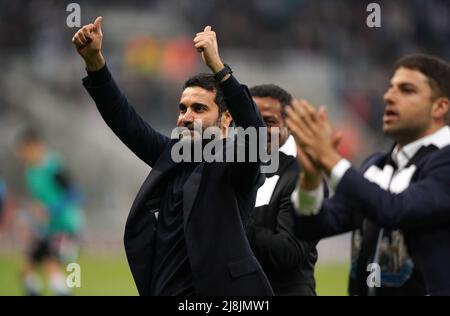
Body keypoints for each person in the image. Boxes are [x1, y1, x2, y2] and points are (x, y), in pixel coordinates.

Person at [72, 17, 273, 296]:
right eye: (183, 108)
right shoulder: (173, 156)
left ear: (226, 119)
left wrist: (218, 68)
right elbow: (125, 121)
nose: (186, 117)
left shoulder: (236, 165)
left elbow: (255, 136)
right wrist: (95, 62)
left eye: (199, 109)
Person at [286, 54, 450, 296]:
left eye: (406, 90)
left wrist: (330, 158)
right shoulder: (376, 165)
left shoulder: (444, 162)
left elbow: (395, 210)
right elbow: (315, 226)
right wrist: (310, 180)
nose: (388, 97)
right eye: (390, 88)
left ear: (440, 107)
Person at [246, 84, 317, 295]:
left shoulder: (306, 176)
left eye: (269, 122)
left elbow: (288, 251)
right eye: (251, 120)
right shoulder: (231, 168)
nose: (258, 128)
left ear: (290, 125)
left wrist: (234, 221)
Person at [17, 129, 84, 295]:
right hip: (47, 229)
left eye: (24, 149)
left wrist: (52, 210)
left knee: (51, 266)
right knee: (26, 271)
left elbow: (76, 194)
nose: (22, 154)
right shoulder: (30, 171)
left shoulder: (53, 166)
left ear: (35, 146)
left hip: (66, 227)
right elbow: (40, 202)